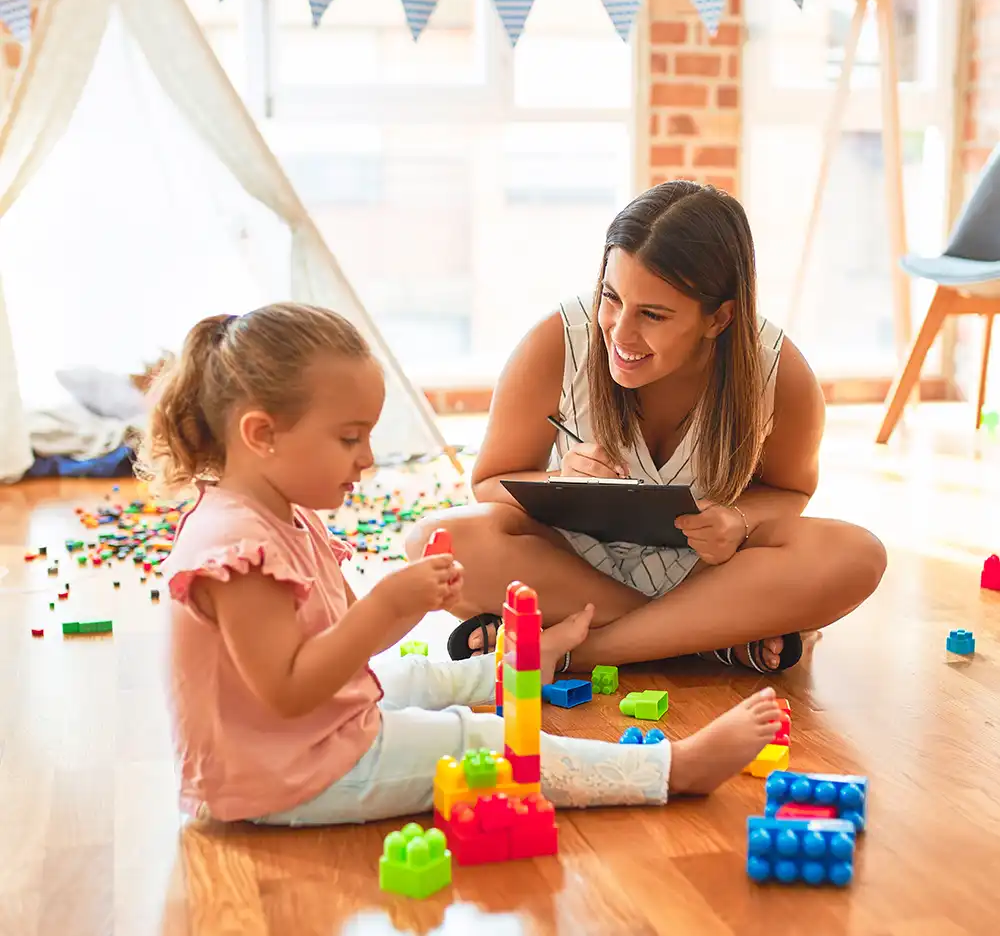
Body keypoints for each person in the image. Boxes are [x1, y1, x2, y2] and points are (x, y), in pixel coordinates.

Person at [142, 302, 783, 826]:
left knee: (404, 679)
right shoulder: (236, 552)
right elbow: (288, 691)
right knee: (475, 746)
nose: (367, 458)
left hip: (293, 743)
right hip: (282, 776)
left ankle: (514, 672)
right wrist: (394, 603)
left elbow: (341, 647)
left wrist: (404, 603)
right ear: (261, 434)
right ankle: (674, 770)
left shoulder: (280, 514)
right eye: (348, 438)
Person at [406, 180, 887, 674]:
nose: (620, 332)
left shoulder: (778, 373)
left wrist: (737, 521)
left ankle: (577, 650)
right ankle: (709, 639)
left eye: (653, 315)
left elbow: (790, 490)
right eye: (611, 298)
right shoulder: (558, 341)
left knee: (857, 555)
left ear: (719, 318)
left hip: (708, 572)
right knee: (434, 541)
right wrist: (564, 484)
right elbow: (490, 483)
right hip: (571, 564)